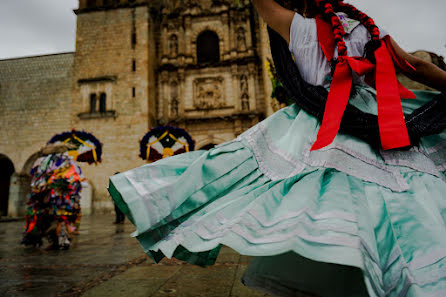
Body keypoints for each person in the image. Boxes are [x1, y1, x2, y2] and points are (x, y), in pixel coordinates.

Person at [109, 0, 446, 296]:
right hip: (378, 120)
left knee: (233, 174)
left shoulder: (297, 26)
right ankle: (398, 272)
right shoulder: (366, 29)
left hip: (318, 127)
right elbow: (418, 67)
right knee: (396, 203)